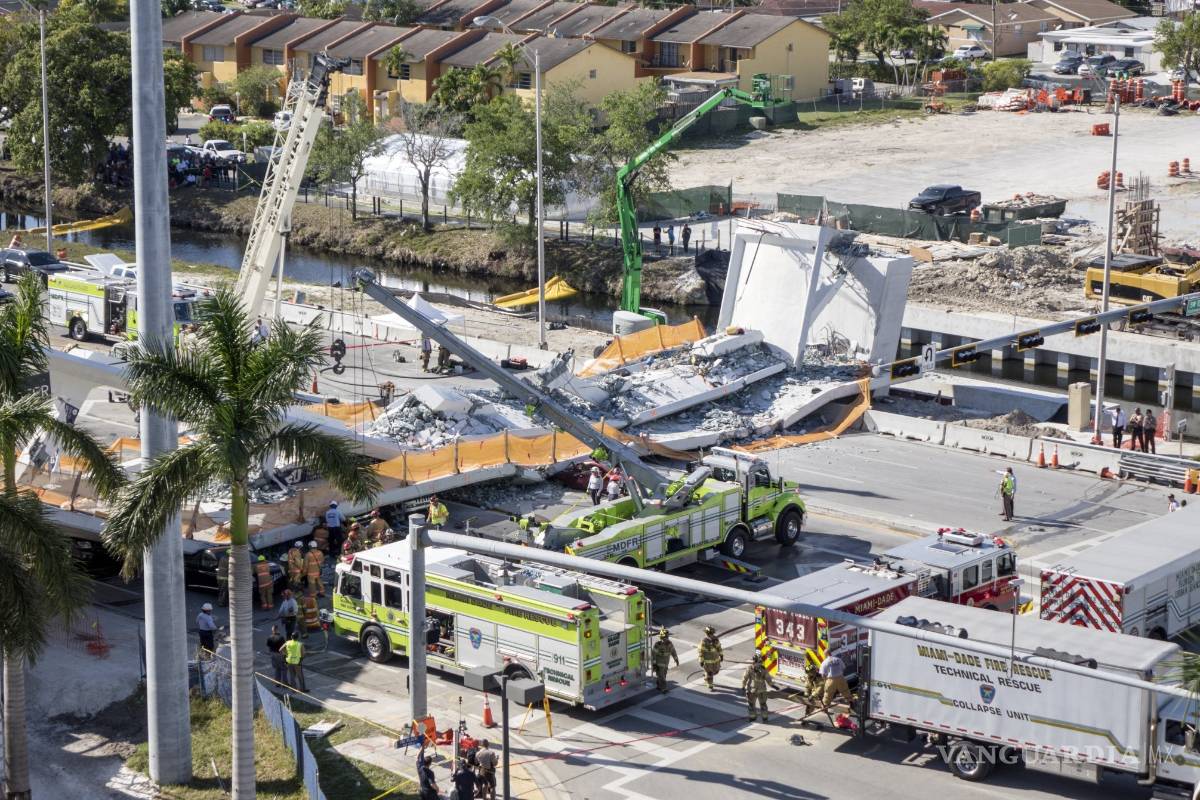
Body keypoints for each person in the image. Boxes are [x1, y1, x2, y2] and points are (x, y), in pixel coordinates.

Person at [741, 652, 777, 723]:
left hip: (760, 690)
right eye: (757, 662)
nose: (758, 664)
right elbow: (745, 678)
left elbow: (768, 678)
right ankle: (753, 717)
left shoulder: (762, 670)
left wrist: (773, 685)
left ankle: (764, 718)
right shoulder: (750, 669)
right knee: (751, 704)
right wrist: (743, 686)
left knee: (763, 704)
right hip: (753, 690)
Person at [651, 627, 679, 693]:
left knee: (664, 675)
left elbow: (673, 651)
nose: (666, 639)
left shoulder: (669, 643)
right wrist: (654, 664)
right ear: (661, 637)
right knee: (662, 676)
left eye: (667, 637)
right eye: (665, 637)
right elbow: (653, 655)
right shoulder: (658, 645)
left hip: (666, 663)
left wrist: (676, 659)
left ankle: (658, 685)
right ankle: (664, 689)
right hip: (659, 663)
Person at [698, 626, 724, 690]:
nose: (711, 635)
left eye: (712, 633)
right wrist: (701, 660)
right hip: (708, 661)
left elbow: (719, 648)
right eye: (710, 633)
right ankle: (710, 685)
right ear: (707, 633)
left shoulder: (715, 639)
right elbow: (701, 652)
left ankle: (706, 676)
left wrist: (721, 655)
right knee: (710, 672)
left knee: (716, 671)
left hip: (716, 660)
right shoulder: (704, 641)